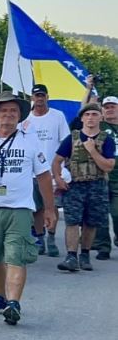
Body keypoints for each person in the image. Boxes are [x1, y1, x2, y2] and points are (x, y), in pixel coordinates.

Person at [0, 92, 56, 326]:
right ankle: (0, 296)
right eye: (3, 111)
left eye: (13, 111)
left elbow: (43, 175)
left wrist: (49, 209)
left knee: (16, 256)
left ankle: (13, 303)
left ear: (19, 116)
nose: (8, 115)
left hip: (20, 209)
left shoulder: (30, 140)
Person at [52, 103, 116, 272]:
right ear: (82, 118)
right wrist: (58, 178)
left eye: (95, 114)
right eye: (87, 115)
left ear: (100, 118)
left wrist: (93, 151)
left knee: (91, 222)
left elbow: (109, 166)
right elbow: (57, 160)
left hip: (97, 185)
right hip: (75, 186)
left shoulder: (106, 140)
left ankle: (85, 254)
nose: (90, 118)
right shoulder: (72, 138)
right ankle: (71, 256)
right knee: (72, 221)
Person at [21, 84, 70, 257]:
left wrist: (59, 169)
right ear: (32, 98)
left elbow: (65, 142)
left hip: (51, 171)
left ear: (47, 97)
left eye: (42, 95)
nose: (39, 98)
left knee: (52, 206)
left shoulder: (57, 116)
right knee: (37, 208)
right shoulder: (25, 119)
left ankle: (51, 237)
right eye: (36, 96)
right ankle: (39, 237)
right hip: (30, 172)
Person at [91, 96, 118, 259]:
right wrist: (89, 93)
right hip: (101, 174)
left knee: (116, 212)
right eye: (106, 107)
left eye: (113, 106)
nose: (109, 109)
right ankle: (103, 247)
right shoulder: (99, 126)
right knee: (100, 213)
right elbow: (85, 112)